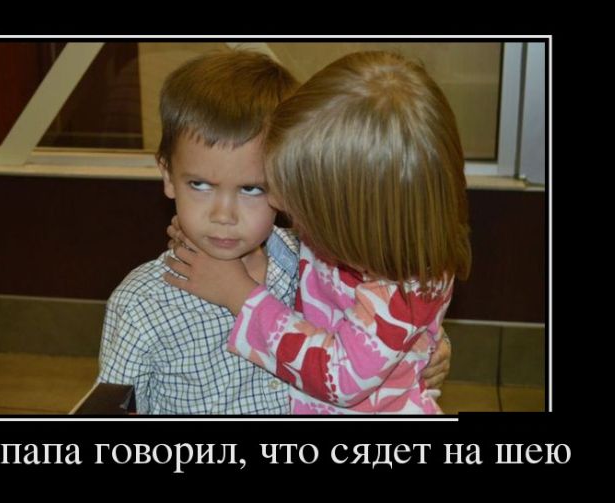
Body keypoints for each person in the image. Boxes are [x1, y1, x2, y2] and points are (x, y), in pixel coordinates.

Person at [100, 50, 451, 415]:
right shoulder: (141, 305)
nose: (223, 215)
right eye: (200, 185)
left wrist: (426, 346)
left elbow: (385, 312)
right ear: (169, 176)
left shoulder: (311, 260)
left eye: (254, 188)